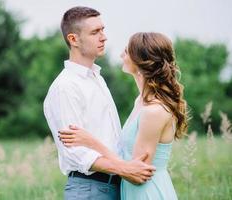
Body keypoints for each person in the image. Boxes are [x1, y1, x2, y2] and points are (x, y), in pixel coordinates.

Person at [43, 7, 155, 200]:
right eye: (95, 32)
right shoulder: (66, 87)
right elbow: (76, 153)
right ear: (73, 39)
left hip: (116, 186)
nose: (103, 37)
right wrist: (125, 169)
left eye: (103, 29)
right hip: (90, 190)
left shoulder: (97, 78)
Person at [59, 32, 188, 199]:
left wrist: (91, 142)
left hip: (147, 192)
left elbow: (137, 173)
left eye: (126, 51)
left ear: (140, 61)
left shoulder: (154, 111)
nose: (121, 55)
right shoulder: (140, 102)